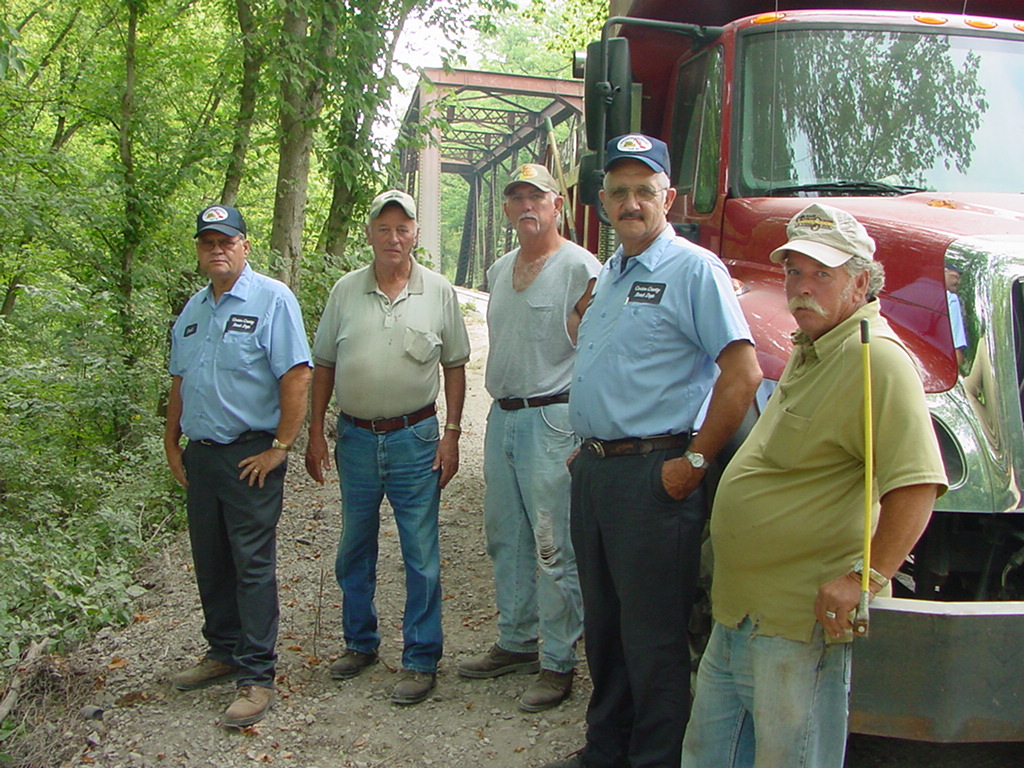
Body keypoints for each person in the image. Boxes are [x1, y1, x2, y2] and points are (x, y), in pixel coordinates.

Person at [681, 203, 947, 768]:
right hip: (740, 611)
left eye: (821, 274)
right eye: (794, 272)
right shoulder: (812, 347)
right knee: (710, 753)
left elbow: (917, 486)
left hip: (797, 624)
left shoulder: (875, 358)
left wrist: (865, 578)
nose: (802, 287)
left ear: (860, 281)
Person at [547, 134, 762, 768]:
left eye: (645, 191)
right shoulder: (609, 272)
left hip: (654, 478)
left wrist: (694, 462)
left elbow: (742, 373)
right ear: (603, 201)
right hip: (596, 473)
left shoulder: (694, 270)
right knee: (606, 631)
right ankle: (605, 749)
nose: (631, 203)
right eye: (619, 192)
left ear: (669, 197)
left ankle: (655, 758)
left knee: (652, 640)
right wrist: (591, 446)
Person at [305, 189, 470, 706]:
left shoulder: (439, 291)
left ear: (416, 234)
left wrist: (453, 435)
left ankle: (421, 659)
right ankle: (360, 644)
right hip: (354, 437)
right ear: (370, 234)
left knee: (420, 553)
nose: (393, 237)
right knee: (354, 546)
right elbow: (324, 364)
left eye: (403, 228)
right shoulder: (345, 292)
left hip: (415, 438)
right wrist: (314, 431)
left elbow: (455, 366)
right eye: (384, 228)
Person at [456, 164, 600, 712]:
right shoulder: (498, 269)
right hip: (504, 417)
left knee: (552, 542)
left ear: (557, 203)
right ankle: (516, 639)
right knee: (506, 535)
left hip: (552, 419)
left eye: (535, 196)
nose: (524, 206)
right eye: (514, 197)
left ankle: (558, 660)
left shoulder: (579, 268)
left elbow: (596, 350)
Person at [165, 204, 312, 728]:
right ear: (200, 251)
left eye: (227, 240)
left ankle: (257, 675)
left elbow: (296, 374)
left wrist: (281, 445)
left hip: (251, 454)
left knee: (251, 564)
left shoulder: (272, 299)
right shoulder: (194, 310)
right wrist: (171, 440)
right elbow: (180, 379)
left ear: (245, 246)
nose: (217, 249)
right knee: (210, 558)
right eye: (208, 242)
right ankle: (222, 652)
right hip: (202, 455)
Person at [945, 262, 968, 367]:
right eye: (955, 277)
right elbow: (955, 348)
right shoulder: (950, 299)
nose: (958, 282)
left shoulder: (907, 292)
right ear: (943, 272)